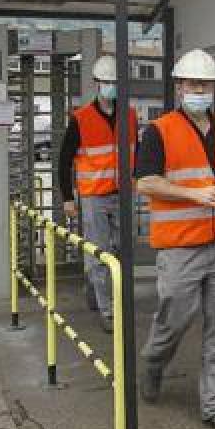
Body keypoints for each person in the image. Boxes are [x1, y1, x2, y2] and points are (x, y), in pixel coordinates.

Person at [135, 49, 215, 429]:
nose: (200, 89)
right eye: (193, 83)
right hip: (180, 246)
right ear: (180, 86)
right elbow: (146, 182)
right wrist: (194, 195)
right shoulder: (159, 131)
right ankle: (154, 362)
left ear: (214, 88)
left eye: (206, 84)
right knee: (174, 320)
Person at [56, 55, 137, 333]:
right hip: (93, 197)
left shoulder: (130, 115)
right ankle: (107, 310)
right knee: (100, 251)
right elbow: (64, 161)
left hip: (123, 195)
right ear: (97, 83)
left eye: (115, 82)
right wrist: (68, 198)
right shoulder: (81, 119)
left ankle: (95, 287)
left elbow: (133, 154)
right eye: (107, 82)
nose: (111, 87)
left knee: (121, 250)